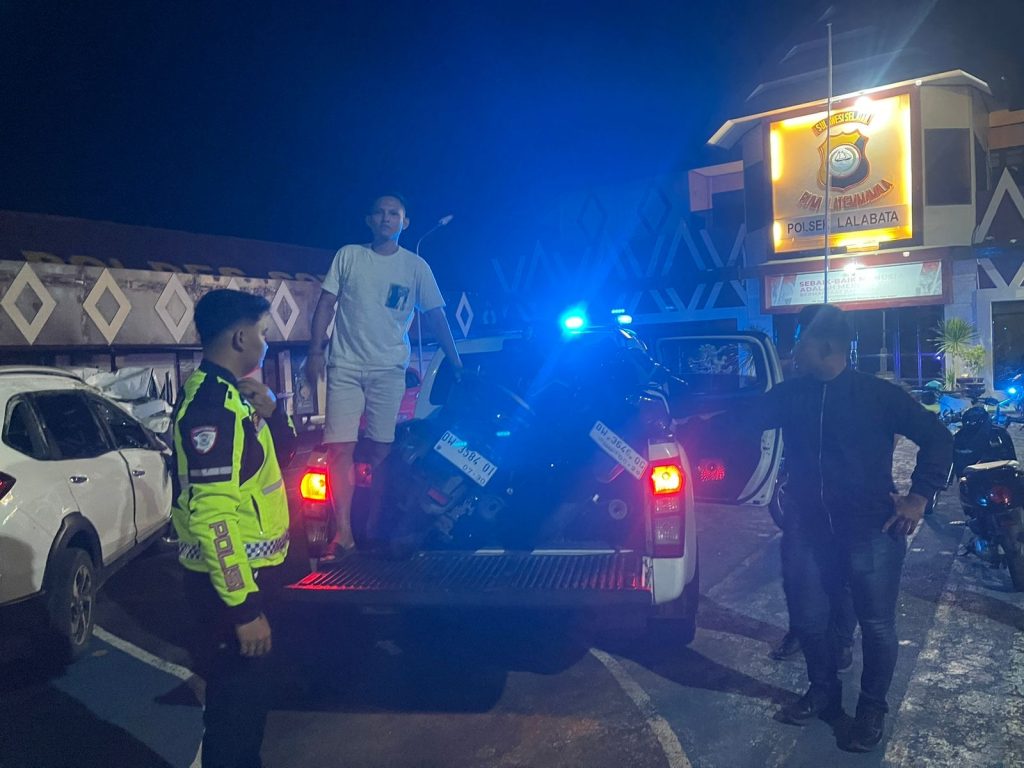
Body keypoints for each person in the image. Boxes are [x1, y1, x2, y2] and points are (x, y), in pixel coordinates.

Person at [748, 304, 951, 753]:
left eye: (799, 340)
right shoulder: (791, 395)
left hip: (871, 529)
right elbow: (738, 421)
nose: (792, 350)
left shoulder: (877, 395)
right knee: (808, 620)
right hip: (808, 529)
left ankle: (871, 708)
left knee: (876, 625)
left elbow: (938, 437)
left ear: (824, 345)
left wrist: (919, 496)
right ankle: (823, 690)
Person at [172, 288, 296, 768]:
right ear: (241, 337)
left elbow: (272, 462)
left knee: (247, 708)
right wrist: (244, 609)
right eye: (263, 333)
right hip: (230, 585)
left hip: (247, 574)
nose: (266, 343)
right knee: (235, 714)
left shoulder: (233, 395)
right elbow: (213, 516)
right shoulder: (213, 406)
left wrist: (274, 413)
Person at [306, 194, 463, 560]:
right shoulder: (349, 256)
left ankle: (376, 526)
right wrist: (315, 351)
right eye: (379, 212)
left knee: (381, 449)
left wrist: (456, 363)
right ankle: (344, 534)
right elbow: (326, 303)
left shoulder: (416, 266)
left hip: (389, 370)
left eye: (394, 213)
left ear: (404, 223)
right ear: (369, 220)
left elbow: (437, 316)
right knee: (340, 448)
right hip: (344, 365)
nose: (386, 218)